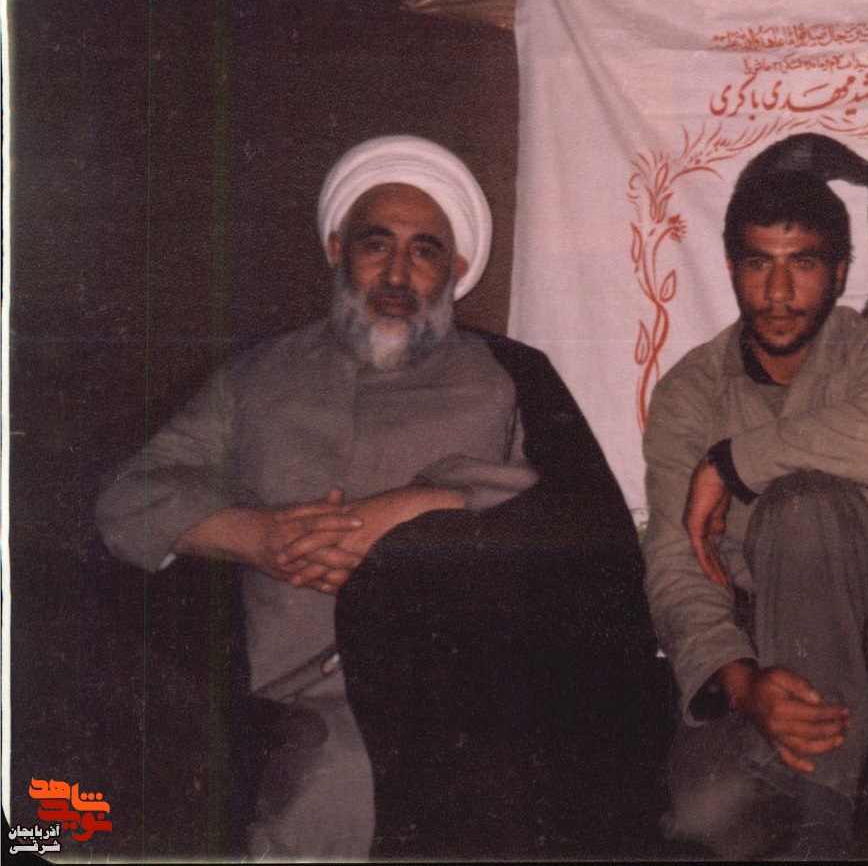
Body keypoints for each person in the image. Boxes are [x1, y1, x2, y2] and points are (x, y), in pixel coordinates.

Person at [96, 135, 658, 859]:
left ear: (456, 270)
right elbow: (129, 495)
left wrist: (412, 508)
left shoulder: (506, 371)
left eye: (425, 251)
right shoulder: (256, 374)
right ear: (337, 249)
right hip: (301, 694)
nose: (396, 273)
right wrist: (253, 534)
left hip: (463, 681)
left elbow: (579, 515)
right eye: (375, 244)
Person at [642, 135, 868, 859]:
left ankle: (822, 832)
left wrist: (731, 463)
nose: (778, 293)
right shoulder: (689, 390)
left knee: (803, 504)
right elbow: (674, 558)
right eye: (759, 263)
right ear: (732, 268)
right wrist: (743, 683)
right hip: (752, 636)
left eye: (803, 263)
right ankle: (845, 772)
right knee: (705, 817)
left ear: (839, 272)